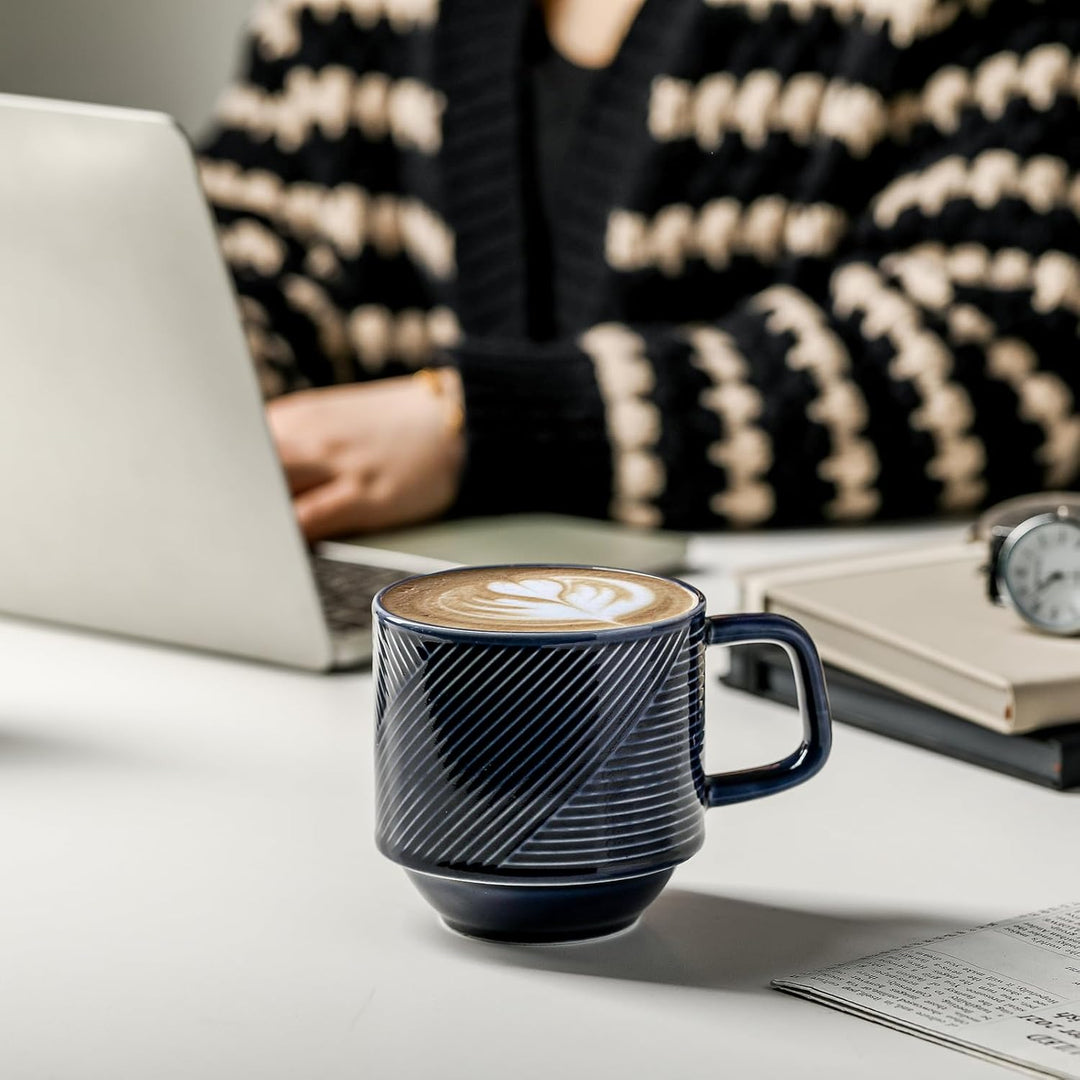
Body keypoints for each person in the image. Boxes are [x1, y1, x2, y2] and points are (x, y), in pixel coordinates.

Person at [199, 0, 1080, 540]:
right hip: (418, 640)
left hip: (785, 672)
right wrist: (190, 369)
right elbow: (262, 243)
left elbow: (1011, 343)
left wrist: (493, 430)